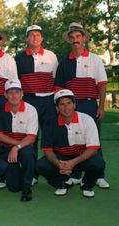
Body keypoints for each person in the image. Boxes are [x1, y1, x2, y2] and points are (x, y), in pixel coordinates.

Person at [55, 22, 109, 188]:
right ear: (69, 41)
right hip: (70, 108)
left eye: (78, 36)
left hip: (90, 105)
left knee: (94, 140)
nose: (75, 40)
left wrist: (101, 106)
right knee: (73, 140)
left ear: (84, 38)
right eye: (72, 37)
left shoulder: (95, 59)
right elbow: (58, 88)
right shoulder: (64, 63)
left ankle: (98, 174)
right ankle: (76, 174)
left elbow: (101, 84)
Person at [37, 89, 105, 198]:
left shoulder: (87, 120)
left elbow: (93, 149)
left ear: (74, 105)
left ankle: (86, 184)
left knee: (98, 163)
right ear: (57, 108)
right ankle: (62, 184)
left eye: (69, 103)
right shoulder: (49, 123)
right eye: (62, 104)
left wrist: (73, 162)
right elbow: (47, 150)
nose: (66, 107)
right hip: (61, 157)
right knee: (41, 165)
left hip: (81, 157)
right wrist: (58, 163)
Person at [15, 25, 58, 185]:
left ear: (42, 38)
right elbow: (16, 81)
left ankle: (54, 170)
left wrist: (55, 101)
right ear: (27, 39)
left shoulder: (51, 56)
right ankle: (31, 174)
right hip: (29, 101)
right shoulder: (19, 58)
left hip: (48, 100)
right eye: (31, 35)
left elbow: (56, 79)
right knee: (30, 137)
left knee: (50, 136)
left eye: (38, 35)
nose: (35, 38)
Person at [0, 79, 38, 202]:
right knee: (14, 187)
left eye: (17, 92)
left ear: (22, 93)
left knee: (28, 154)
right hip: (4, 149)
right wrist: (16, 146)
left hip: (23, 147)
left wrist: (17, 148)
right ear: (5, 95)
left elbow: (31, 137)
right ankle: (9, 173)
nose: (14, 96)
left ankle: (27, 188)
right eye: (10, 93)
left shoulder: (31, 110)